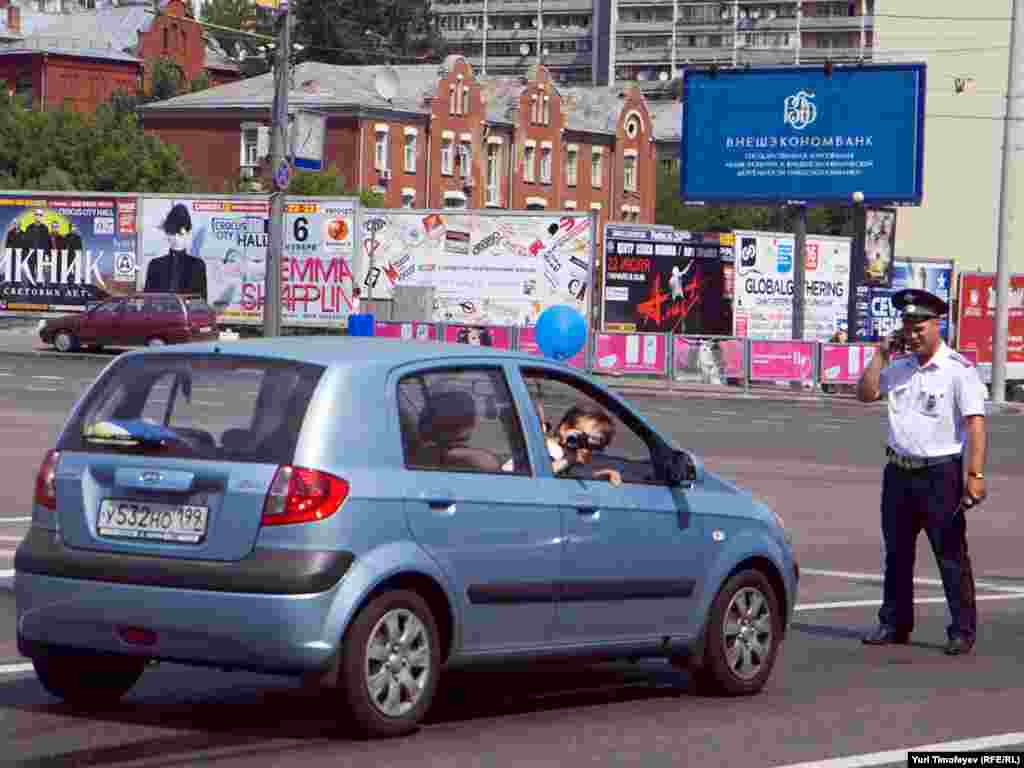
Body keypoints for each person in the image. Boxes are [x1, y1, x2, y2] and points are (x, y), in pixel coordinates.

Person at [856, 288, 988, 656]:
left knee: (949, 553)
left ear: (937, 324)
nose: (912, 333)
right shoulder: (898, 368)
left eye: (919, 326)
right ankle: (894, 622)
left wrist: (974, 476)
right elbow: (865, 393)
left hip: (940, 475)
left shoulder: (958, 370)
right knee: (896, 553)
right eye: (907, 325)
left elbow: (975, 424)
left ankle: (962, 629)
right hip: (898, 474)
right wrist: (881, 355)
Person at [144, 203, 208, 300]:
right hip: (161, 314)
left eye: (178, 233)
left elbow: (201, 301)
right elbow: (148, 300)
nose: (172, 238)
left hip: (186, 314)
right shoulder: (155, 265)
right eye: (171, 233)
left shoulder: (197, 265)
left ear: (186, 232)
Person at [549, 404, 623, 486]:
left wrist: (600, 476)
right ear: (564, 429)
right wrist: (569, 459)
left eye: (594, 447)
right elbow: (542, 474)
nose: (586, 448)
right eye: (582, 438)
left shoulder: (573, 458)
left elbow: (571, 476)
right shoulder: (550, 449)